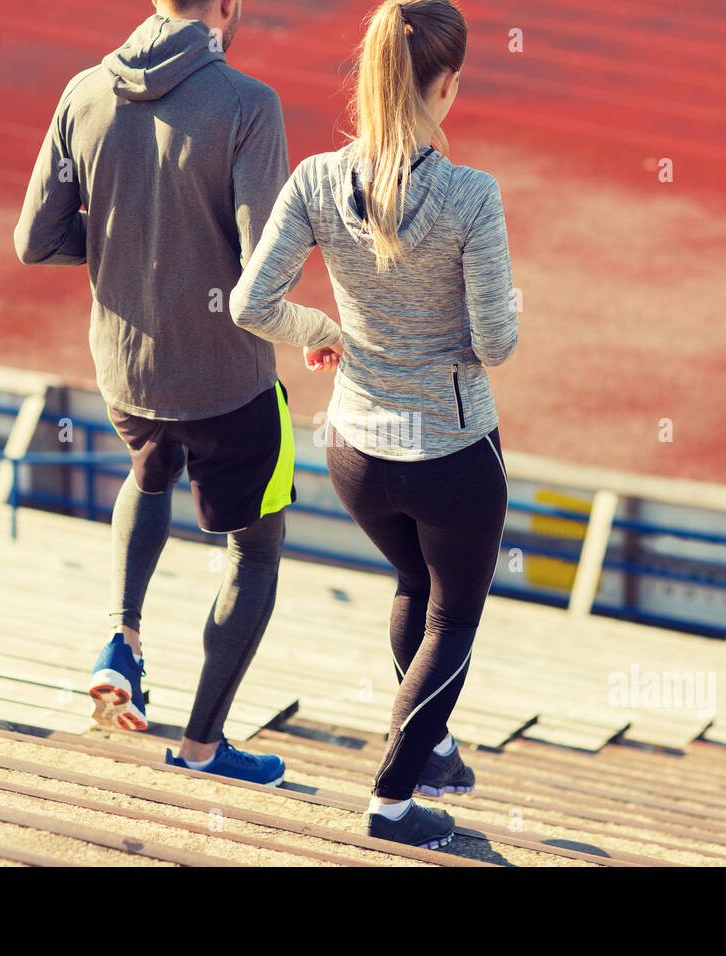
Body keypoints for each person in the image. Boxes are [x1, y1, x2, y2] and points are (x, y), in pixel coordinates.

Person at [231, 0, 517, 847]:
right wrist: (448, 342)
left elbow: (251, 302)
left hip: (354, 451)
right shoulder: (472, 196)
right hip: (453, 453)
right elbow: (497, 340)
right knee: (452, 619)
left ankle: (429, 750)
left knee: (414, 588)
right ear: (448, 85)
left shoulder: (317, 179)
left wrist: (325, 332)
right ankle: (393, 801)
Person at [14, 0, 293, 786]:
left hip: (129, 374)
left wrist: (118, 247)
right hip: (229, 382)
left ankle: (122, 638)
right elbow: (261, 263)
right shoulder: (248, 106)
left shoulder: (82, 93)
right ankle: (204, 745)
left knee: (150, 469)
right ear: (229, 9)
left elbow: (35, 240)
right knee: (255, 554)